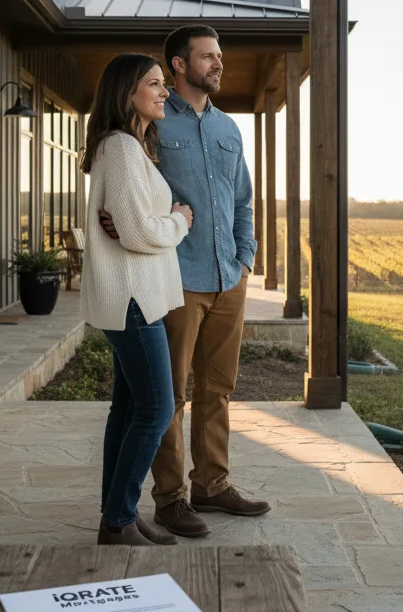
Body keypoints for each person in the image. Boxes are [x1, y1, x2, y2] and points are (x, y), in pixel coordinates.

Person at [100, 25, 270, 539]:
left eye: (220, 56)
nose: (219, 64)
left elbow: (242, 201)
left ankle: (212, 485)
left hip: (227, 277)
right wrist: (127, 219)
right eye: (208, 57)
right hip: (174, 279)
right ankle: (170, 499)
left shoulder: (228, 129)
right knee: (167, 395)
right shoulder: (151, 123)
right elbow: (136, 190)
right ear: (178, 64)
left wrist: (245, 258)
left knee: (218, 388)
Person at [79, 52, 195, 546]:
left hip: (134, 297)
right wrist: (180, 221)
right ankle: (119, 519)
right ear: (128, 92)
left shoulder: (125, 148)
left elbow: (130, 226)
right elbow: (135, 230)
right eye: (155, 83)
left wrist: (148, 225)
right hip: (132, 299)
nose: (165, 90)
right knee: (156, 409)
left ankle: (117, 513)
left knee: (127, 411)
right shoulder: (123, 149)